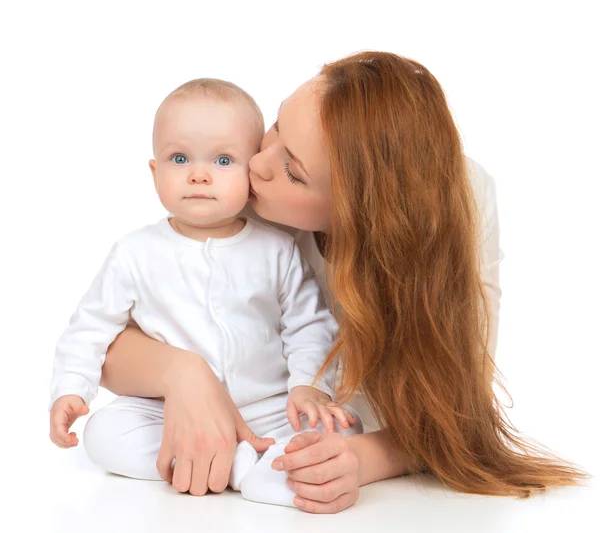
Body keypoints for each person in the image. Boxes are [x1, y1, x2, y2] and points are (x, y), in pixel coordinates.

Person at [99, 52, 589, 514]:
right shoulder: (246, 187)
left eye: (292, 171)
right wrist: (183, 374)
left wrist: (363, 459)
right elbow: (110, 340)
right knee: (106, 432)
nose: (257, 164)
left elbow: (457, 410)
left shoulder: (462, 205)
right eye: (275, 126)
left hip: (306, 423)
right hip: (254, 408)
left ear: (360, 215)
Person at [48, 78, 361, 508]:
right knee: (103, 435)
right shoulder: (135, 253)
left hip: (267, 404)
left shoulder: (277, 248)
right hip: (171, 411)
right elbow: (92, 325)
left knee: (342, 427)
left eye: (223, 159)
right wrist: (70, 389)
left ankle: (250, 462)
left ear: (251, 171)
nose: (198, 173)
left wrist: (308, 387)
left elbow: (309, 325)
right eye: (179, 158)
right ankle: (239, 464)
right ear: (155, 171)